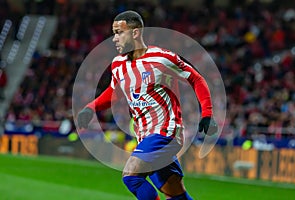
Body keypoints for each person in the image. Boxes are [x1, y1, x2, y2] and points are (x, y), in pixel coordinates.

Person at [77, 10, 218, 200]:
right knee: (176, 195)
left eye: (119, 33)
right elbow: (116, 92)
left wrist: (207, 113)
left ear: (135, 32)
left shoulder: (162, 58)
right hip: (145, 137)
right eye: (113, 33)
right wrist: (91, 107)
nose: (114, 39)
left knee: (131, 176)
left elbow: (196, 79)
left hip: (166, 132)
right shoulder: (118, 64)